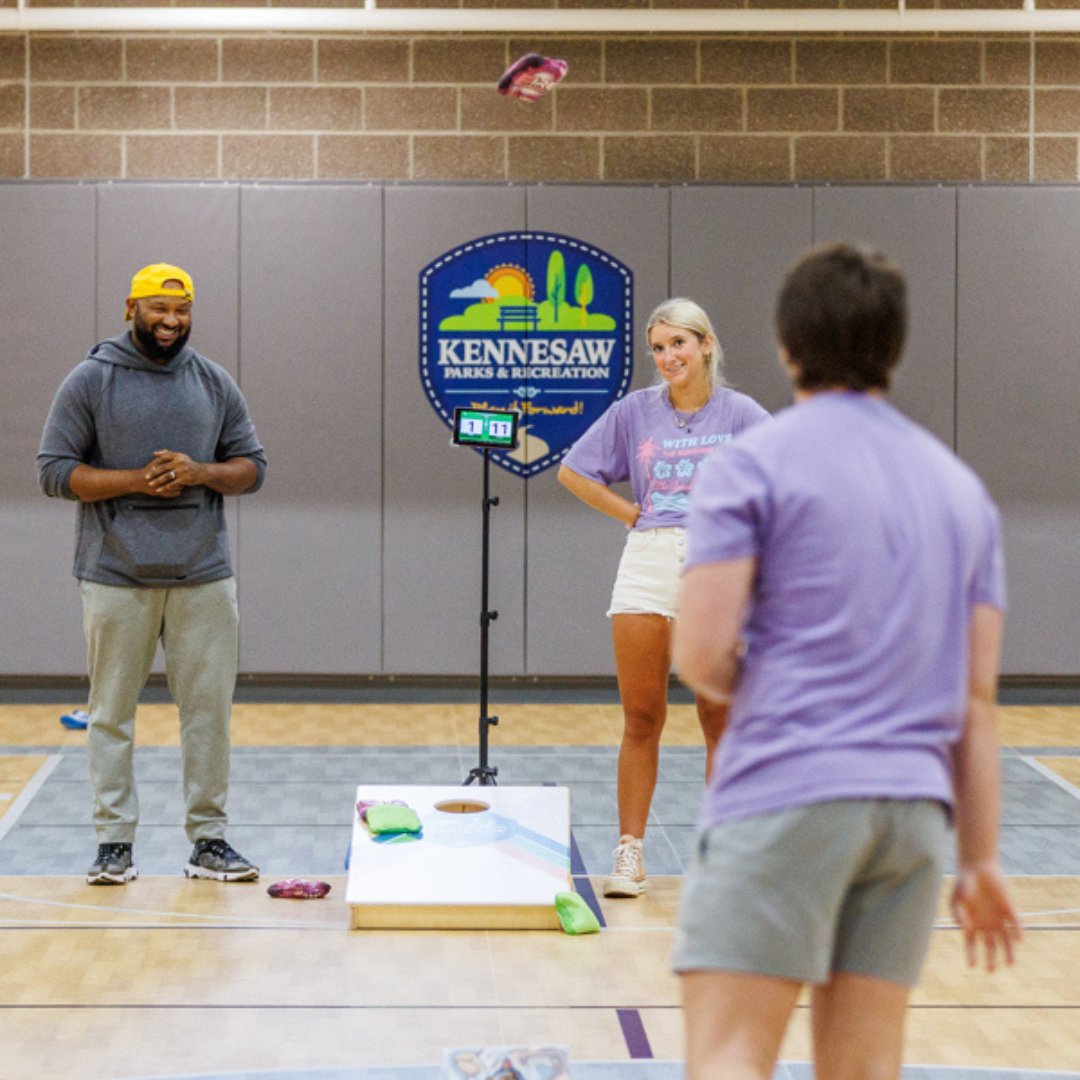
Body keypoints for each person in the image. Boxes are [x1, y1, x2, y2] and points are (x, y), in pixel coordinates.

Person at [671, 243, 1021, 1080]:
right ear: (894, 346)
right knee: (864, 1069)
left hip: (787, 790)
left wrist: (780, 690)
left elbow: (702, 654)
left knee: (729, 1055)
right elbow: (976, 700)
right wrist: (980, 860)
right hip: (913, 818)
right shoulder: (961, 490)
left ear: (787, 343)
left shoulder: (749, 464)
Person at [38, 263, 267, 887]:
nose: (171, 322)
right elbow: (54, 472)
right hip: (114, 576)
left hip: (204, 576)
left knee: (208, 713)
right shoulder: (91, 380)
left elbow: (252, 467)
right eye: (159, 310)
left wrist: (199, 472)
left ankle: (208, 840)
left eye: (182, 311)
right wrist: (137, 480)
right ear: (130, 308)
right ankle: (113, 844)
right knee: (111, 715)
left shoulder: (213, 381)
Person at [558, 298, 770, 898]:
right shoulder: (634, 411)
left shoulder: (742, 414)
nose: (668, 356)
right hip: (648, 559)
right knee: (641, 718)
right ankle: (630, 852)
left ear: (706, 344)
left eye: (679, 343)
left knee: (718, 717)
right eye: (658, 347)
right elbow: (573, 471)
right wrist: (630, 512)